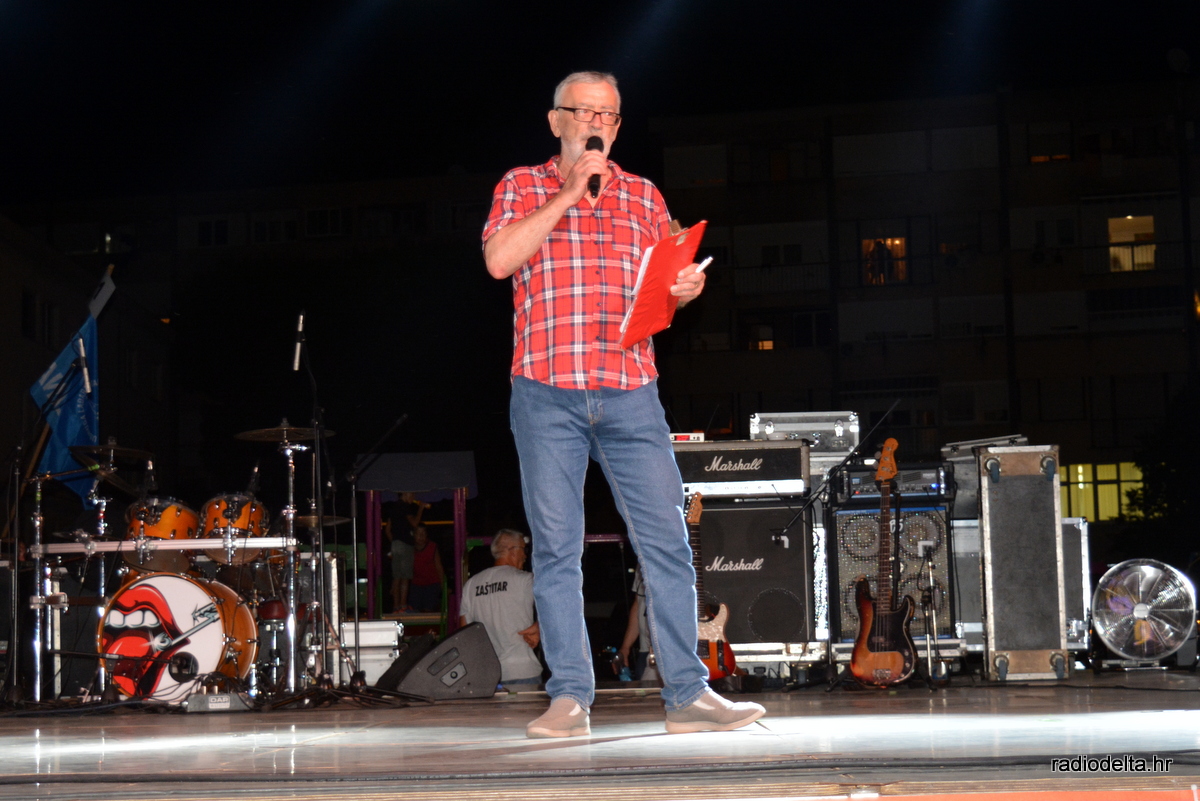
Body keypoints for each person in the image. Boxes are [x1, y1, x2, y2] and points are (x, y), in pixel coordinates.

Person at [483, 70, 765, 738]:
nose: (597, 124)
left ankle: (688, 694)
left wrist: (683, 290)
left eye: (608, 115)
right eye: (584, 112)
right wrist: (569, 192)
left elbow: (662, 286)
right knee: (557, 549)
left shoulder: (643, 195)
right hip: (546, 391)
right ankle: (570, 698)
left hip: (630, 389)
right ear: (556, 120)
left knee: (667, 541)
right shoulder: (520, 184)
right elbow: (499, 260)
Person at [459, 529, 542, 685]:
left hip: (487, 676)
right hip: (522, 671)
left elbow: (465, 633)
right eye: (523, 550)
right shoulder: (525, 580)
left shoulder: (471, 584)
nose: (525, 556)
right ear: (512, 550)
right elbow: (558, 604)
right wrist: (540, 626)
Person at [407, 525, 444, 613]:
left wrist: (442, 584)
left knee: (428, 610)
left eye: (423, 533)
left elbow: (438, 566)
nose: (421, 536)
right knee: (414, 611)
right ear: (414, 534)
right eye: (418, 533)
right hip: (416, 585)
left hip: (432, 584)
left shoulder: (432, 546)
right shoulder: (409, 548)